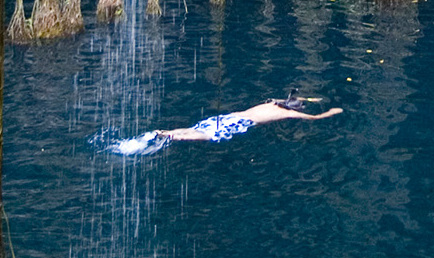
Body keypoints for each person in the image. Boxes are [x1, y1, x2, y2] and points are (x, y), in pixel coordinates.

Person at [94, 90, 342, 156]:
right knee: (202, 136)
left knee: (196, 129)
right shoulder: (287, 114)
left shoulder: (272, 103)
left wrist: (310, 97)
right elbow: (313, 117)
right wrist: (330, 111)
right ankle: (170, 137)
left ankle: (164, 132)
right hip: (235, 125)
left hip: (226, 118)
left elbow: (293, 99)